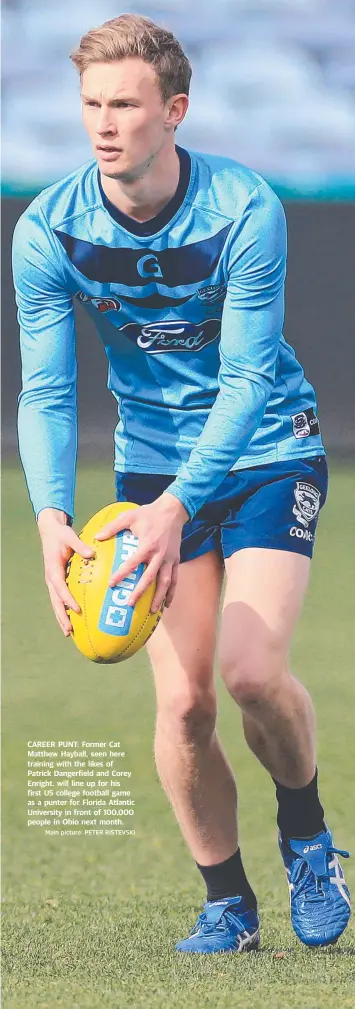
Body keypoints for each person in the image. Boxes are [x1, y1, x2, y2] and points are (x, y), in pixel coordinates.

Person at [12, 14, 350, 953]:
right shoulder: (49, 230)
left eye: (124, 104)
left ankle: (308, 838)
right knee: (184, 704)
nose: (104, 124)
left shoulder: (244, 208)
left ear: (174, 111)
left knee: (247, 673)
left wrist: (172, 512)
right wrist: (49, 517)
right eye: (90, 104)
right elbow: (45, 391)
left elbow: (246, 381)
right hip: (151, 463)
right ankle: (227, 905)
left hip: (265, 449)